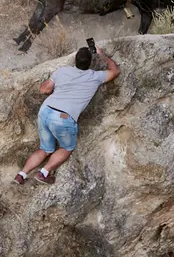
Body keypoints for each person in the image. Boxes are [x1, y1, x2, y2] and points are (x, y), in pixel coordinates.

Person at [14, 45, 120, 185]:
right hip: (63, 117)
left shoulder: (62, 71)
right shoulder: (95, 76)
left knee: (45, 149)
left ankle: (21, 175)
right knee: (67, 148)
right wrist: (102, 55)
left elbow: (44, 89)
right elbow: (115, 71)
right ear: (90, 63)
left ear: (75, 60)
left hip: (45, 110)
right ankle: (43, 173)